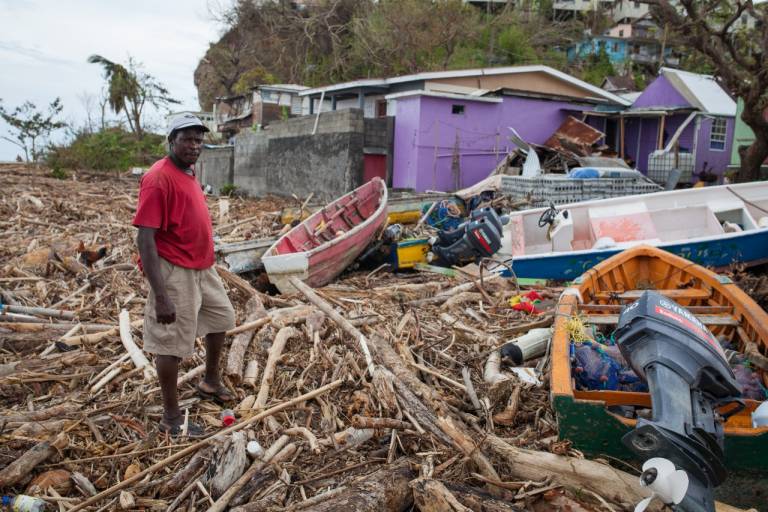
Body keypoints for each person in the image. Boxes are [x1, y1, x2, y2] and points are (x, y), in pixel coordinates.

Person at [133, 113, 236, 437]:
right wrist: (161, 294)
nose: (194, 145)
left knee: (222, 318)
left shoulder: (188, 171)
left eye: (198, 140)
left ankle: (210, 381)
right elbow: (145, 239)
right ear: (171, 141)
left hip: (202, 267)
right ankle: (171, 418)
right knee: (170, 344)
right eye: (187, 139)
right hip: (174, 269)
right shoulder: (157, 178)